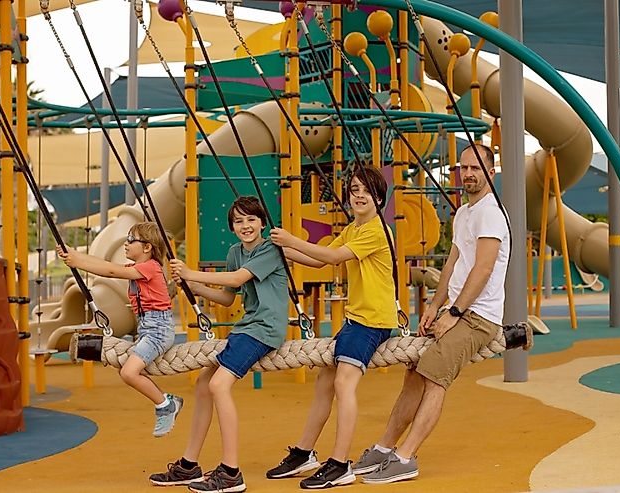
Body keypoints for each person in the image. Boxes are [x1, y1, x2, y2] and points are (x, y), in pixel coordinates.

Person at [354, 144, 510, 484]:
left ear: (490, 173)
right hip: (456, 310)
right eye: (463, 168)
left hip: (478, 317)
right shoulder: (464, 213)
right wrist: (434, 306)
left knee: (434, 377)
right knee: (413, 372)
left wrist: (454, 312)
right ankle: (384, 447)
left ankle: (406, 457)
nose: (468, 174)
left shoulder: (491, 213)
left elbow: (482, 269)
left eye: (475, 168)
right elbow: (454, 263)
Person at [265, 165, 397, 489]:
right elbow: (321, 259)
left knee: (343, 384)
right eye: (354, 189)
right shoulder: (355, 227)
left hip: (373, 321)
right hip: (356, 319)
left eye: (366, 190)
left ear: (379, 198)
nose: (360, 195)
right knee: (325, 382)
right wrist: (287, 251)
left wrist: (293, 239)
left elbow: (336, 257)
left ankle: (340, 463)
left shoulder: (375, 229)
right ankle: (304, 452)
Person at [149, 196, 288, 493]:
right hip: (247, 327)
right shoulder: (235, 252)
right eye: (238, 221)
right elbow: (229, 296)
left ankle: (231, 472)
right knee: (203, 383)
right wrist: (193, 286)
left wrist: (190, 272)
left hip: (265, 329)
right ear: (232, 227)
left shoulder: (270, 250)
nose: (246, 225)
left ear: (263, 223)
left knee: (218, 385)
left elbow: (239, 278)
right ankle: (189, 464)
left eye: (251, 219)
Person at [56, 222, 182, 438]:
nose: (126, 244)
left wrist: (78, 261)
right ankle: (167, 401)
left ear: (147, 247)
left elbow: (110, 271)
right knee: (126, 367)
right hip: (148, 329)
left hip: (158, 330)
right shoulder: (138, 269)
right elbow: (105, 265)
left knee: (129, 372)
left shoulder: (150, 267)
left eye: (130, 240)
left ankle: (165, 404)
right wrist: (73, 255)